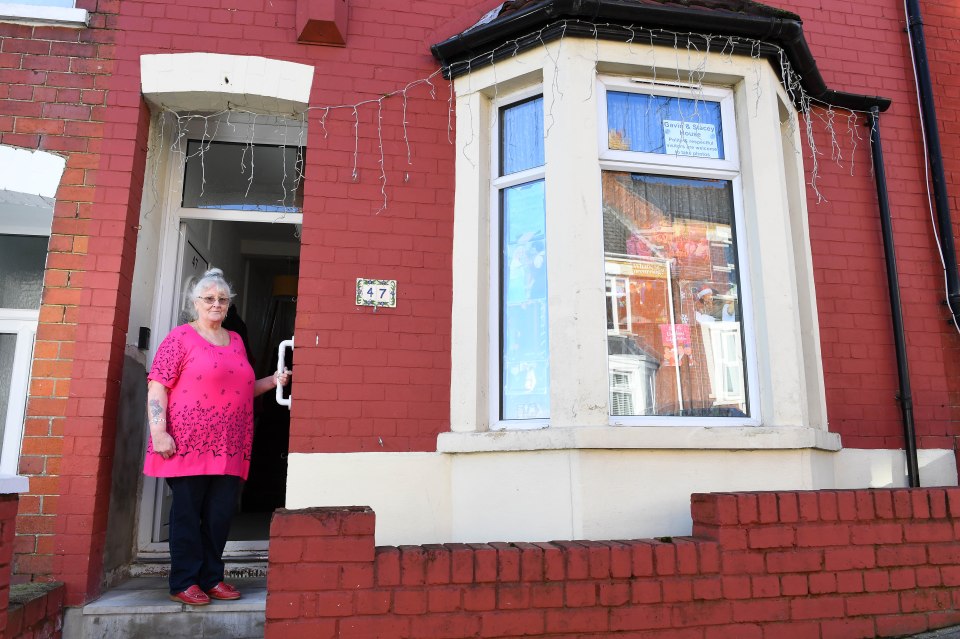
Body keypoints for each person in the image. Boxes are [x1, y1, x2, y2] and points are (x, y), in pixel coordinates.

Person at [144, 268, 291, 606]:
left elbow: (241, 389)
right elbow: (158, 386)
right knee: (187, 515)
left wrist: (272, 381)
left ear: (229, 306)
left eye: (222, 300)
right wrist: (159, 431)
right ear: (195, 303)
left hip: (230, 446)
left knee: (219, 516)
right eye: (209, 298)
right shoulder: (180, 337)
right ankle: (184, 580)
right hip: (186, 444)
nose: (216, 304)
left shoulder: (236, 340)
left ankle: (211, 578)